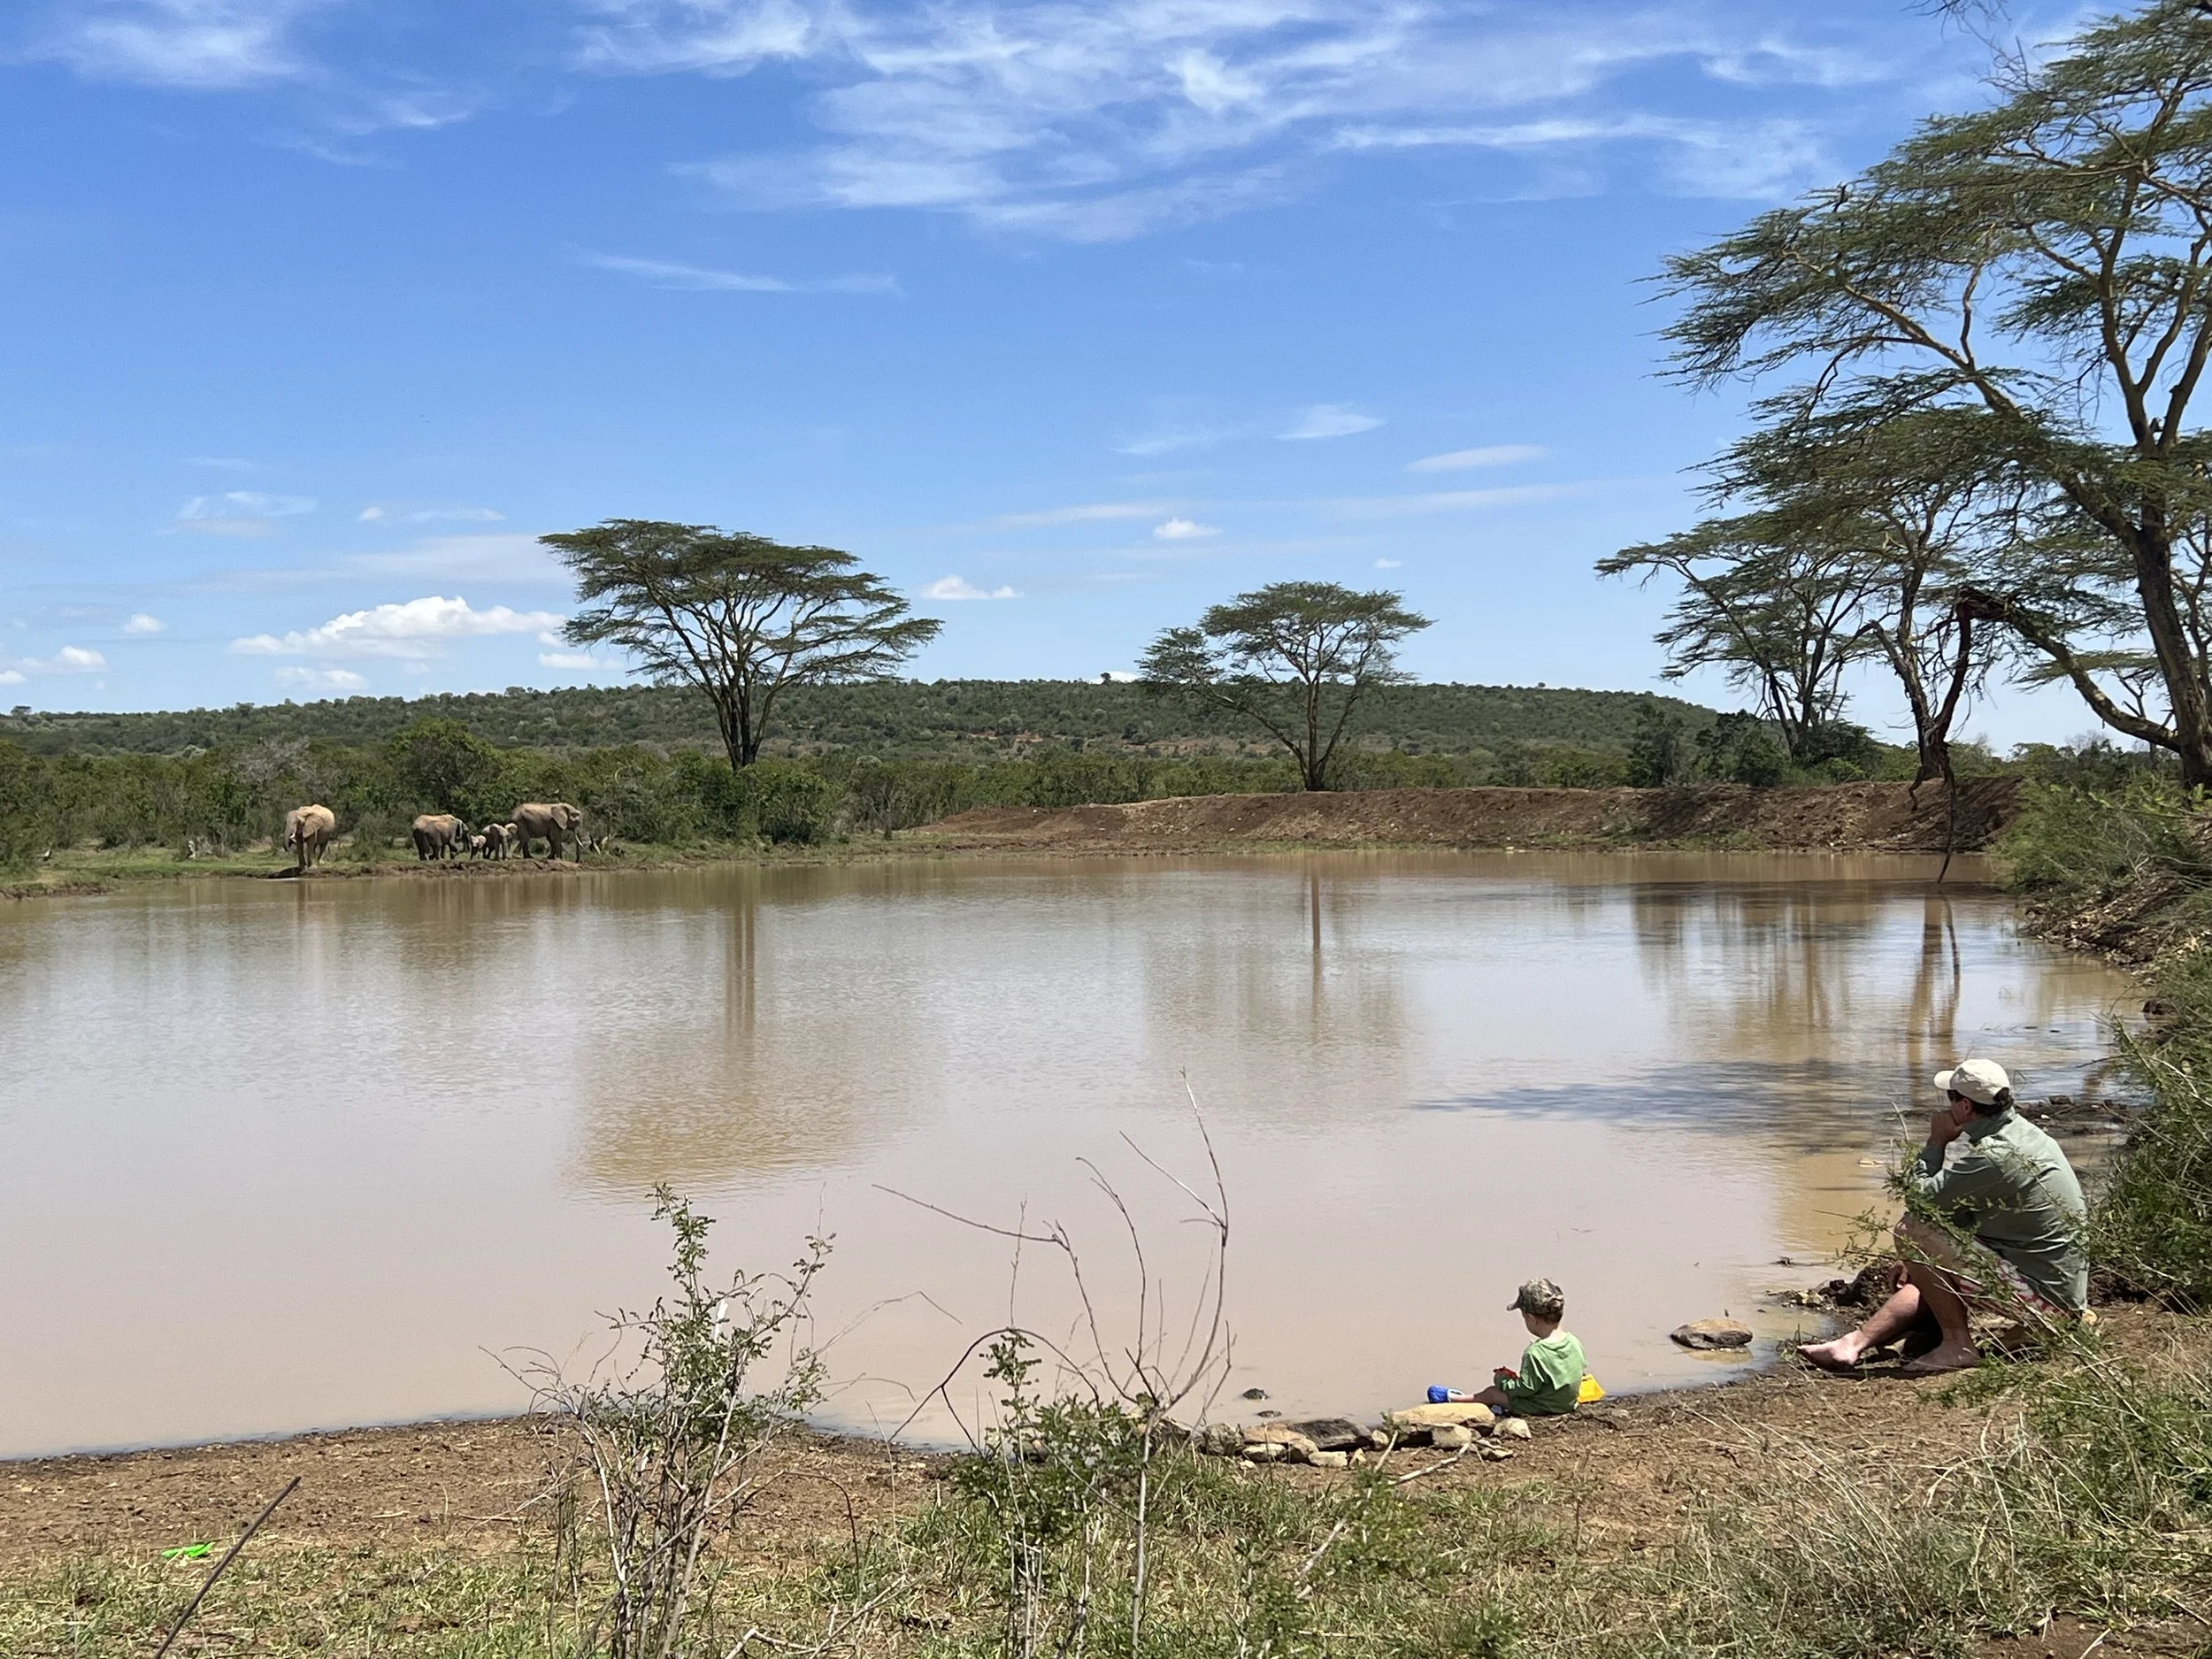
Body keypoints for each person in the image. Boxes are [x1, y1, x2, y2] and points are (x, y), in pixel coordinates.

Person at [1801, 1058, 2088, 1378]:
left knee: (1911, 1231)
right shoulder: (2026, 1136)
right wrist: (1917, 1261)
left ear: (1965, 1106)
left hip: (2046, 1304)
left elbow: (1920, 1203)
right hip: (2053, 1289)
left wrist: (1936, 1142)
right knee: (1926, 1262)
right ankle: (1853, 1343)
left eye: (1950, 1098)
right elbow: (1963, 1214)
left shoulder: (1995, 1156)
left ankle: (1958, 1346)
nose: (1946, 1106)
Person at [1432, 1278, 1587, 1416]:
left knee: (1492, 1393)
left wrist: (1503, 1381)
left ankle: (1456, 1399)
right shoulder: (1574, 1341)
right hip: (1566, 1404)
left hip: (1542, 1407)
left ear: (1531, 1319)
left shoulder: (1535, 1353)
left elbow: (1526, 1389)